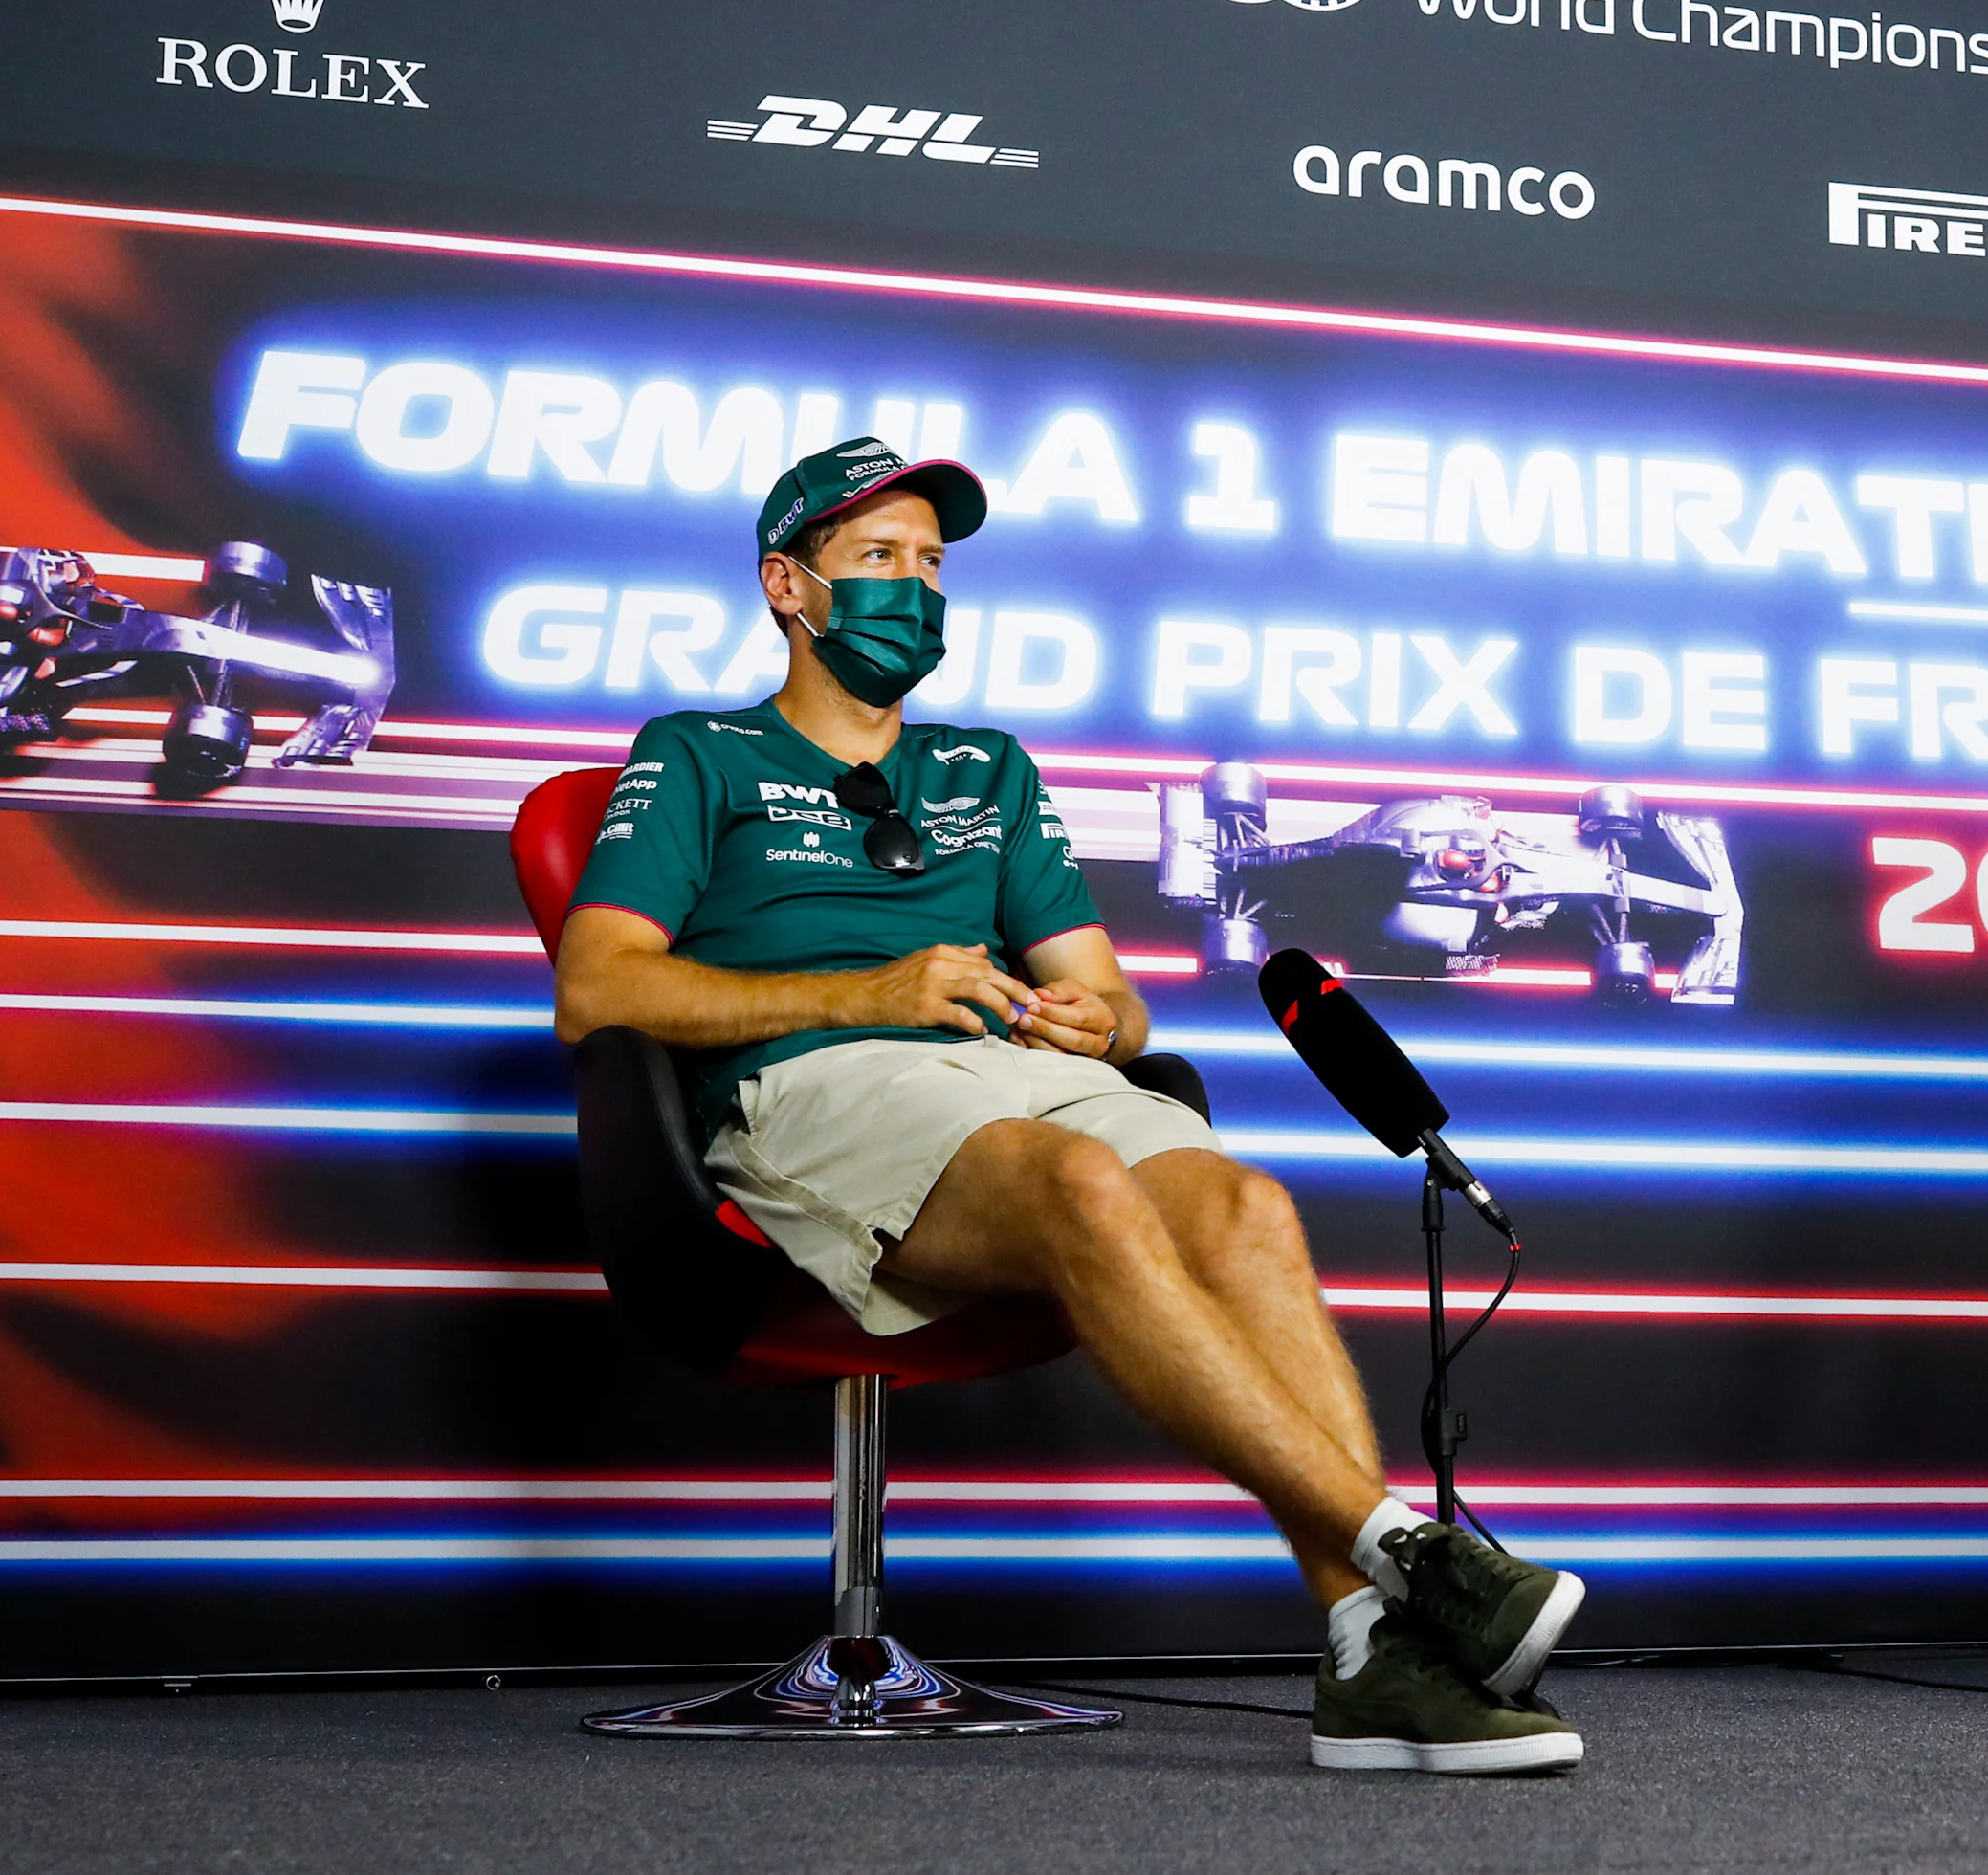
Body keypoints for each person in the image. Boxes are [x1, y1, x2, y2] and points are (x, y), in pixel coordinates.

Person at [552, 435, 1588, 1773]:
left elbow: (1113, 1003)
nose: (914, 590)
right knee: (1079, 1184)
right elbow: (598, 989)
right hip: (819, 1082)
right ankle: (1412, 1549)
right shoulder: (698, 754)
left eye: (932, 565)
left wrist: (1100, 1022)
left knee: (1241, 1203)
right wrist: (867, 992)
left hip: (1020, 1073)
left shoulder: (989, 769)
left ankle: (1366, 1655)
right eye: (877, 559)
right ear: (788, 586)